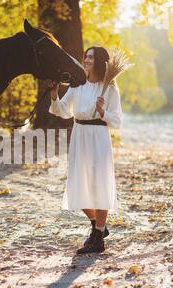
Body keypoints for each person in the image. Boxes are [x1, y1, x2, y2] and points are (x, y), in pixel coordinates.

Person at [49, 46, 123, 254]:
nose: (87, 60)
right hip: (79, 134)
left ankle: (98, 238)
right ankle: (97, 225)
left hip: (98, 136)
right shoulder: (78, 85)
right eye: (86, 57)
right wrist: (54, 95)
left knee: (99, 184)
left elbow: (117, 121)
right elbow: (63, 111)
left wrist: (103, 112)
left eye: (91, 57)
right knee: (78, 183)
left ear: (99, 61)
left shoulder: (109, 89)